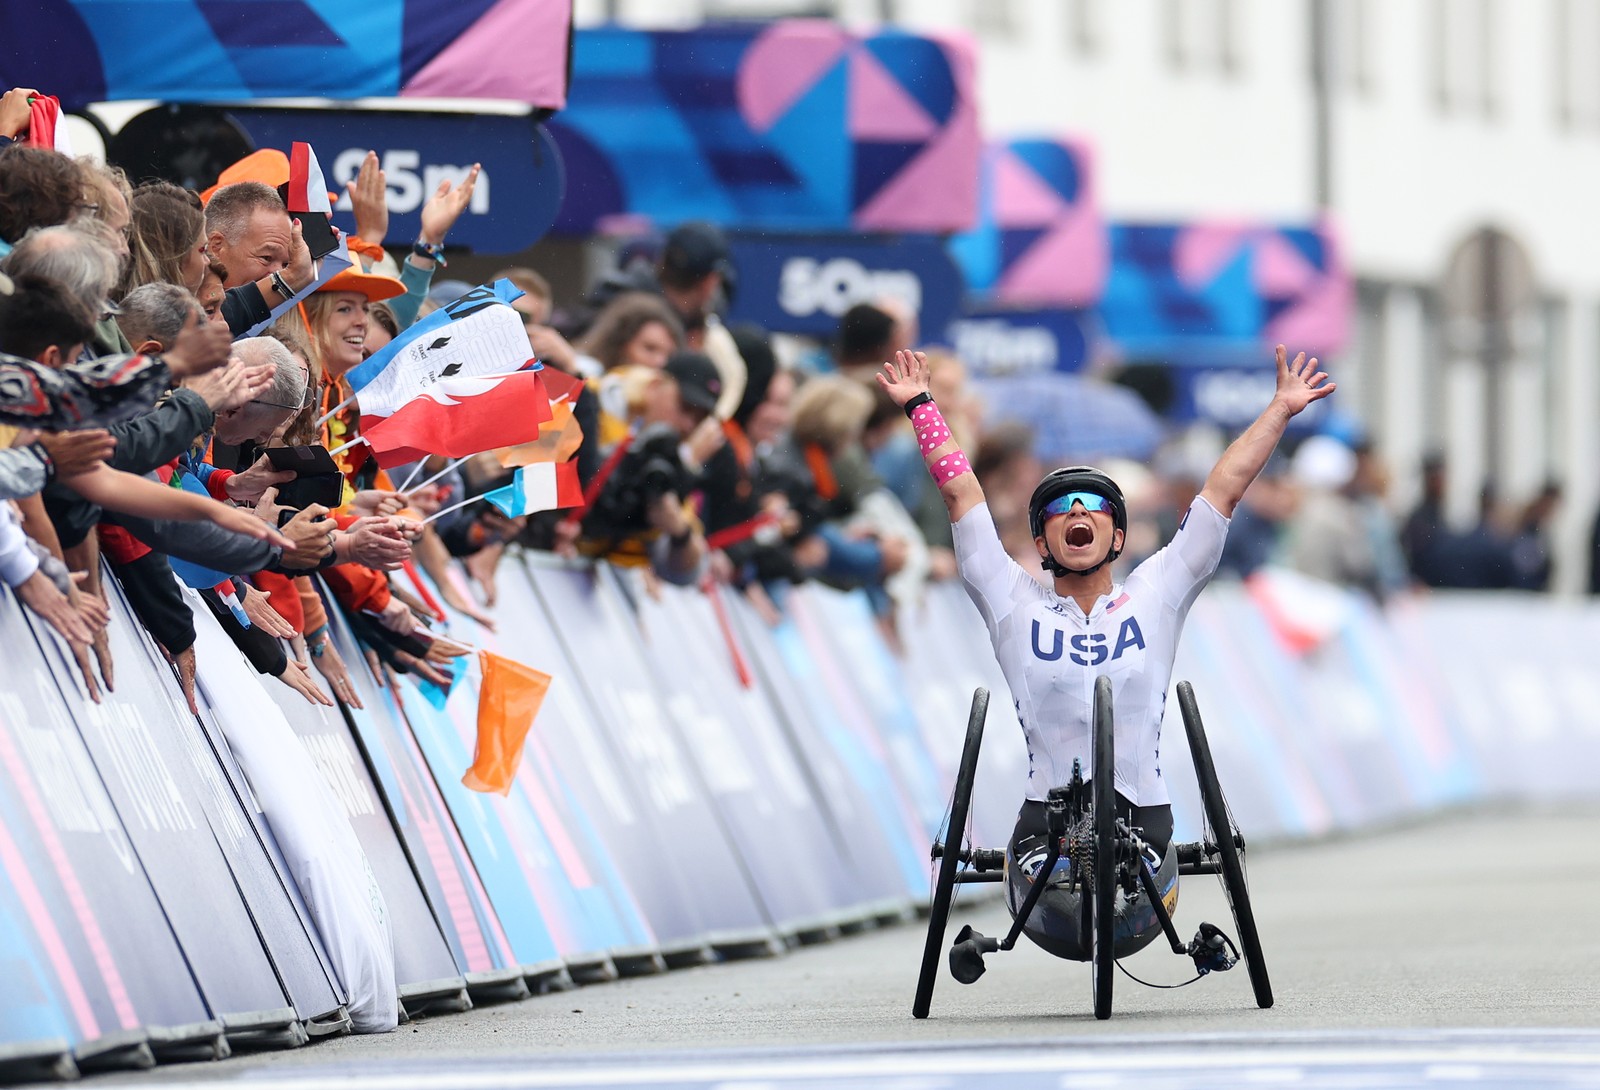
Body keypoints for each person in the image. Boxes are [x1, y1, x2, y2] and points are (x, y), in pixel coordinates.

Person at [876, 343, 1333, 939]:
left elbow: (1221, 492)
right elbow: (963, 497)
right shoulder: (1012, 600)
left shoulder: (1157, 592)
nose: (1076, 514)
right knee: (1061, 875)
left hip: (1144, 815)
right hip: (1045, 822)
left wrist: (1280, 408)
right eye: (1060, 510)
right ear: (1042, 540)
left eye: (1093, 506)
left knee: (1124, 865)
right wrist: (920, 406)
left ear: (1117, 534)